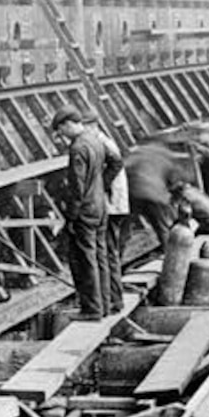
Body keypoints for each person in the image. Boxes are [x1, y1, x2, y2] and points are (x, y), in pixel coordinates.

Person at [50, 106, 109, 319]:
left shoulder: (78, 148)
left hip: (85, 211)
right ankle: (106, 304)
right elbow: (113, 164)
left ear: (67, 124)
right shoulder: (95, 140)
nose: (62, 136)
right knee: (101, 257)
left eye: (61, 131)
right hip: (100, 206)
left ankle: (92, 309)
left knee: (85, 260)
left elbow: (77, 188)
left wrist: (70, 217)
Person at [83, 111, 128, 314]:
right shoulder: (102, 141)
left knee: (108, 253)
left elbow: (117, 163)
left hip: (111, 205)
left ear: (93, 126)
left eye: (85, 127)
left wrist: (99, 187)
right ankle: (112, 299)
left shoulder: (101, 143)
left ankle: (113, 301)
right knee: (109, 253)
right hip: (113, 204)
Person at [124, 142, 195, 244]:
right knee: (163, 225)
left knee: (126, 225)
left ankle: (116, 252)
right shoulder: (163, 156)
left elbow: (124, 166)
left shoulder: (137, 154)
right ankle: (174, 248)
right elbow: (173, 179)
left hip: (133, 194)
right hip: (153, 194)